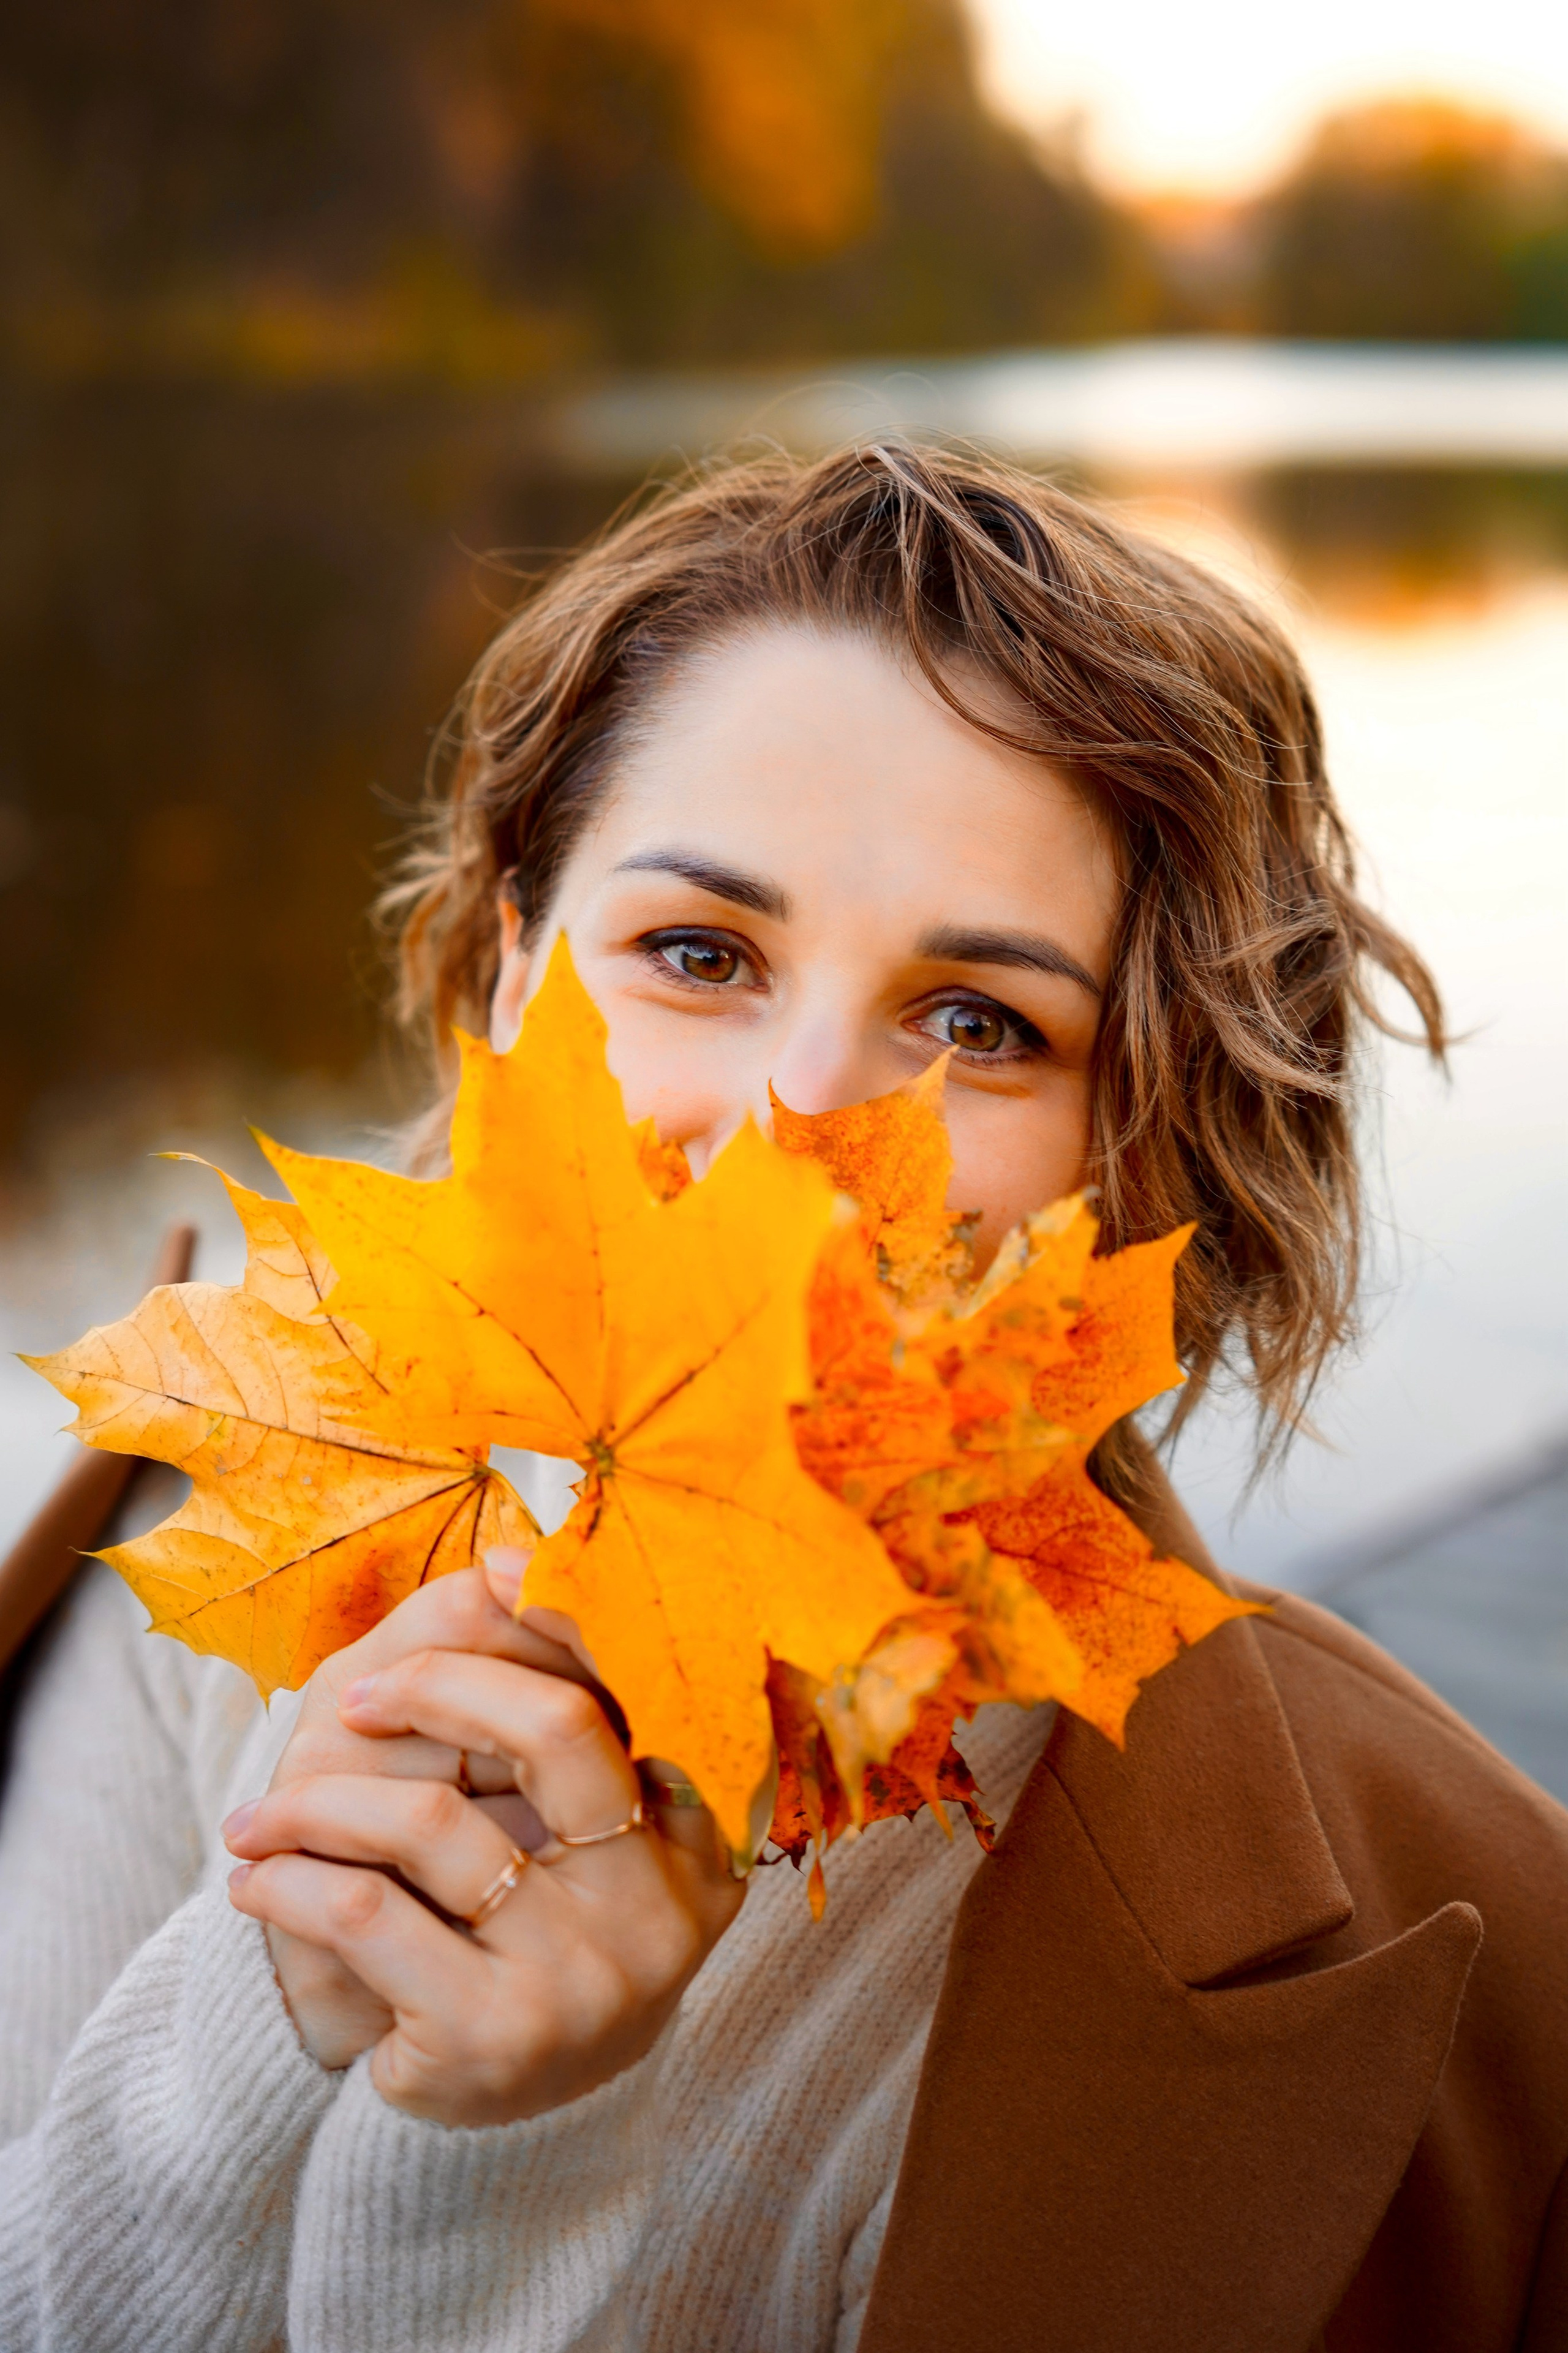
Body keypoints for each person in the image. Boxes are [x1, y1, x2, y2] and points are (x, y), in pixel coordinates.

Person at [1, 445, 1563, 2353]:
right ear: (510, 981)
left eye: (981, 1021)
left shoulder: (1495, 1961)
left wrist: (507, 2151)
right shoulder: (203, 1529)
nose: (793, 1133)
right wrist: (257, 2028)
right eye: (699, 954)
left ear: (1153, 1139)